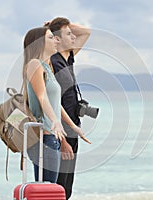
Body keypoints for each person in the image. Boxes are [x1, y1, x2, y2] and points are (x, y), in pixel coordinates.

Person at [22, 27, 90, 184]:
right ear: (39, 43)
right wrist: (54, 121)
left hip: (52, 137)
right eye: (51, 37)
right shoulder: (34, 64)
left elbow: (55, 104)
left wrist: (73, 127)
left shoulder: (48, 67)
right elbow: (41, 96)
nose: (56, 41)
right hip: (44, 138)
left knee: (49, 190)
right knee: (48, 190)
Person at [46, 17, 91, 199]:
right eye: (68, 34)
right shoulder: (52, 61)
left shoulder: (69, 57)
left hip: (73, 128)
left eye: (72, 33)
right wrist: (53, 28)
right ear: (57, 39)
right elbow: (52, 101)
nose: (73, 36)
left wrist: (61, 25)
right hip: (60, 130)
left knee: (67, 189)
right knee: (58, 186)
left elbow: (86, 32)